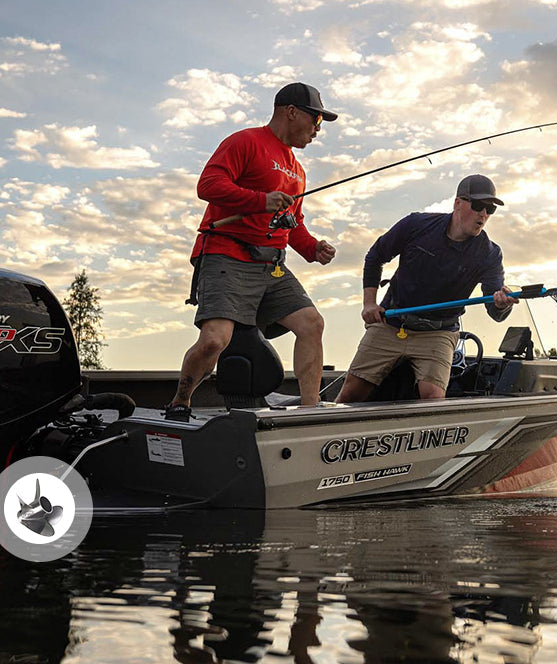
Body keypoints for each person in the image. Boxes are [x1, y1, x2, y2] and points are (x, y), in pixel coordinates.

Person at [165, 82, 339, 421]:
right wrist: (261, 200)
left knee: (311, 323)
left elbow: (291, 223)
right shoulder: (245, 142)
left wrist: (312, 247)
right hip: (226, 255)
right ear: (291, 112)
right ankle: (180, 400)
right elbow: (208, 186)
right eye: (316, 121)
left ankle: (310, 412)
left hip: (270, 265)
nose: (318, 131)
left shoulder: (298, 172)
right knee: (215, 341)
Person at [335, 174, 519, 403]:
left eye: (490, 209)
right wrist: (369, 304)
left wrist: (502, 304)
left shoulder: (490, 253)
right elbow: (375, 256)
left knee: (433, 398)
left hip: (438, 333)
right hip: (391, 323)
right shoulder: (416, 225)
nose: (484, 214)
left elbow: (495, 308)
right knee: (351, 393)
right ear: (458, 203)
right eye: (479, 205)